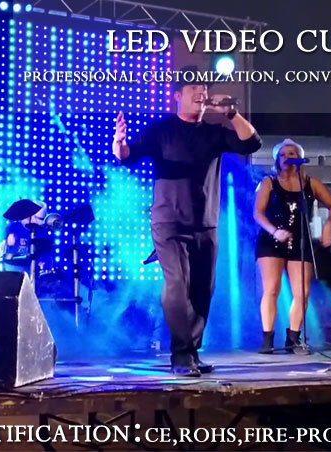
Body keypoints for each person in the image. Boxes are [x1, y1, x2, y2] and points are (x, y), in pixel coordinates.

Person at [113, 66, 262, 376]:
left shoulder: (213, 133)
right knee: (178, 284)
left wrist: (231, 113)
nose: (201, 91)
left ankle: (191, 352)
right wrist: (120, 142)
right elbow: (128, 156)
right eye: (193, 87)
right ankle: (181, 355)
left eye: (203, 87)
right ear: (178, 96)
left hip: (205, 223)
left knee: (202, 290)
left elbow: (251, 143)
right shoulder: (161, 130)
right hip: (168, 222)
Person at [253, 139, 331, 354]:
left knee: (302, 292)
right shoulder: (269, 182)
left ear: (299, 158)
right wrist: (275, 231)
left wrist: (328, 225)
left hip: (300, 241)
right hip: (271, 240)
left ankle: (293, 338)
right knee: (272, 289)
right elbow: (258, 213)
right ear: (276, 159)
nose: (287, 158)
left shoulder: (310, 183)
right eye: (282, 155)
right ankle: (267, 339)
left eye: (291, 154)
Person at [0, 201, 49, 275]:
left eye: (42, 219)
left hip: (33, 267)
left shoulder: (42, 232)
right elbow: (8, 252)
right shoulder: (13, 228)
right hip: (14, 267)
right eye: (39, 219)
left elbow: (45, 253)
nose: (40, 222)